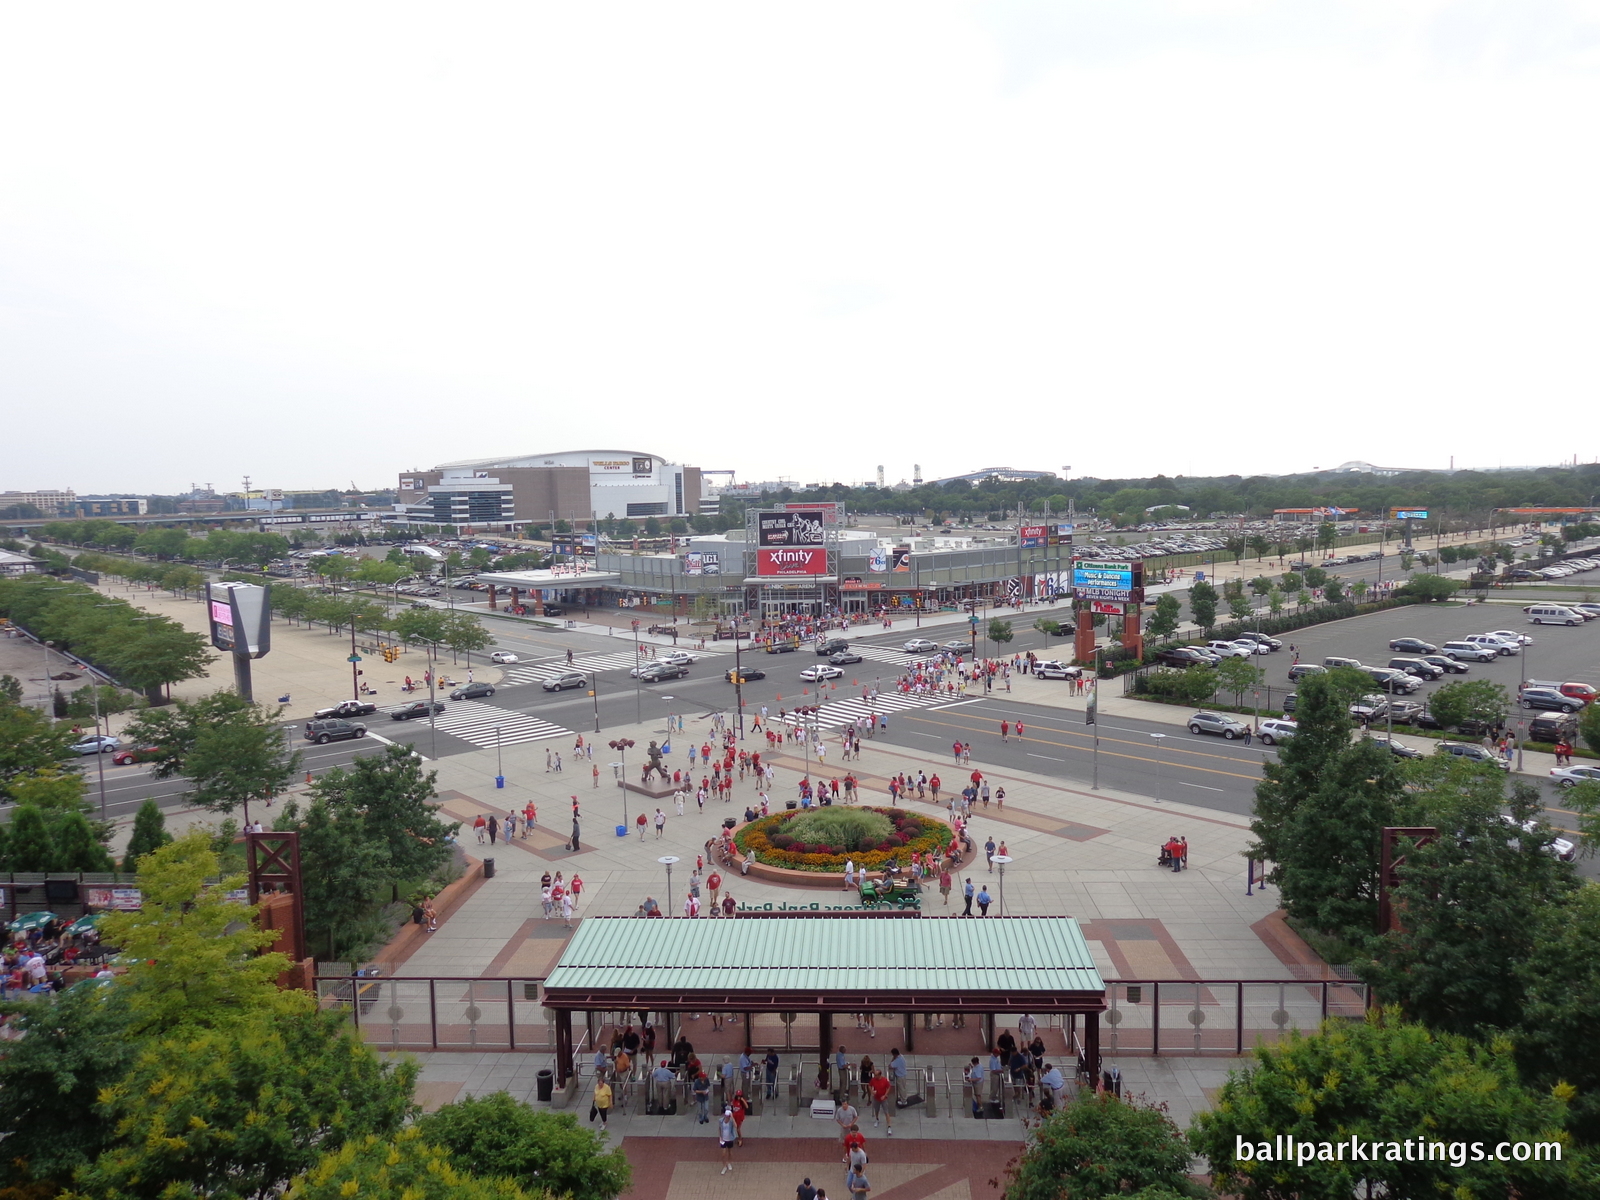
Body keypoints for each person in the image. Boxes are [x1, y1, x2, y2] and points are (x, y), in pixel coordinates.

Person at [868, 1068, 893, 1133]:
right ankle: (877, 1119)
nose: (875, 1076)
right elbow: (869, 1085)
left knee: (886, 1112)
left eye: (876, 1075)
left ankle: (889, 1126)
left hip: (883, 1099)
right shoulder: (873, 1080)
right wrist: (872, 1092)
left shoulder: (884, 1080)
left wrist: (885, 1095)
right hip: (876, 1097)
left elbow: (889, 1087)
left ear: (879, 1075)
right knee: (876, 1110)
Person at [718, 1107, 738, 1174]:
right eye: (726, 1116)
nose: (727, 1118)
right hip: (723, 1139)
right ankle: (724, 1166)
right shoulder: (721, 1121)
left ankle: (729, 1162)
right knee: (723, 1154)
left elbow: (736, 1126)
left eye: (728, 1116)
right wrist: (720, 1137)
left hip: (730, 1139)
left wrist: (732, 1118)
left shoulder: (731, 1121)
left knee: (730, 1152)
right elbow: (720, 1128)